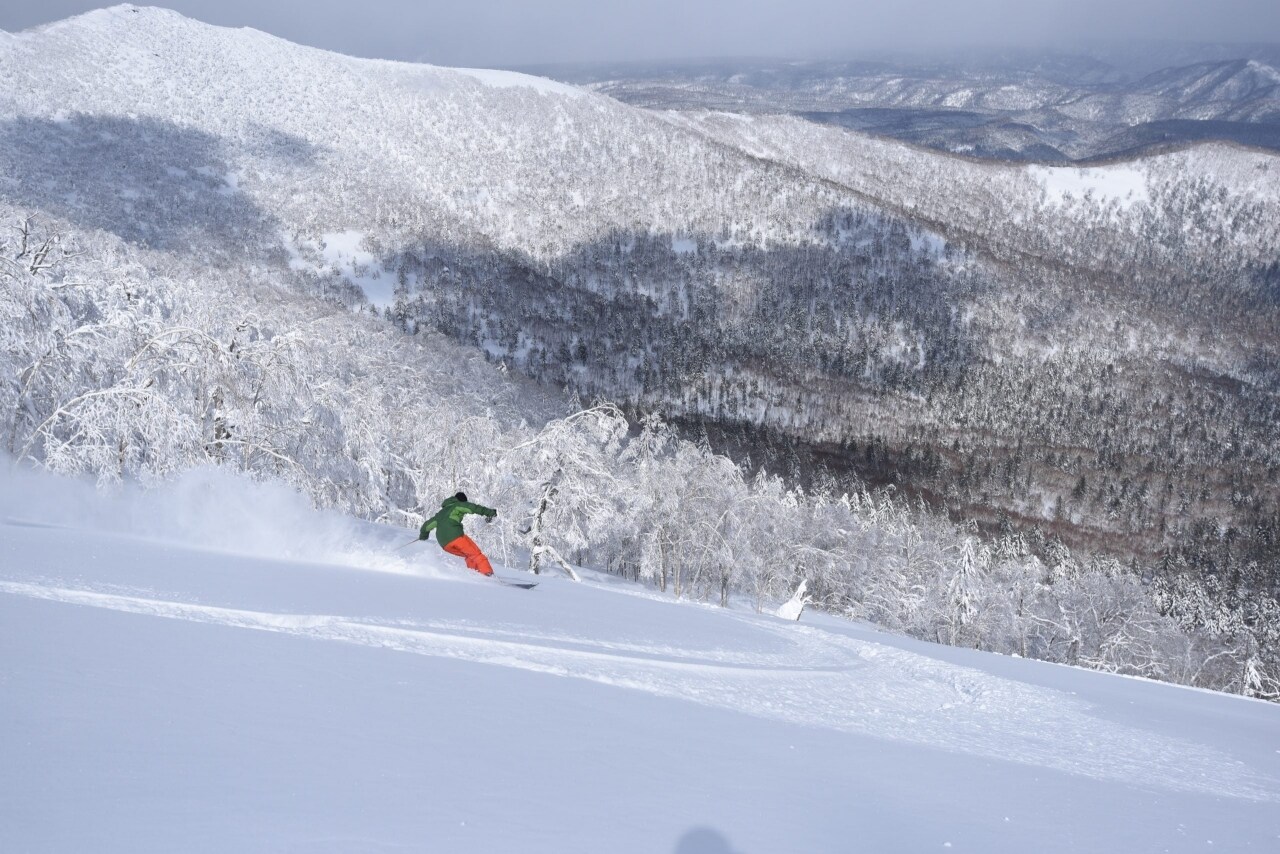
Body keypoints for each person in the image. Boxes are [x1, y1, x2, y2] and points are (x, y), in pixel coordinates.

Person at [419, 491, 498, 576]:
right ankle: (488, 574)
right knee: (475, 554)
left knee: (469, 555)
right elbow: (473, 507)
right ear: (462, 500)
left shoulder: (440, 514)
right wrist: (490, 512)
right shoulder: (457, 505)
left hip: (444, 544)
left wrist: (423, 536)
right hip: (456, 537)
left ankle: (475, 575)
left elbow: (426, 526)